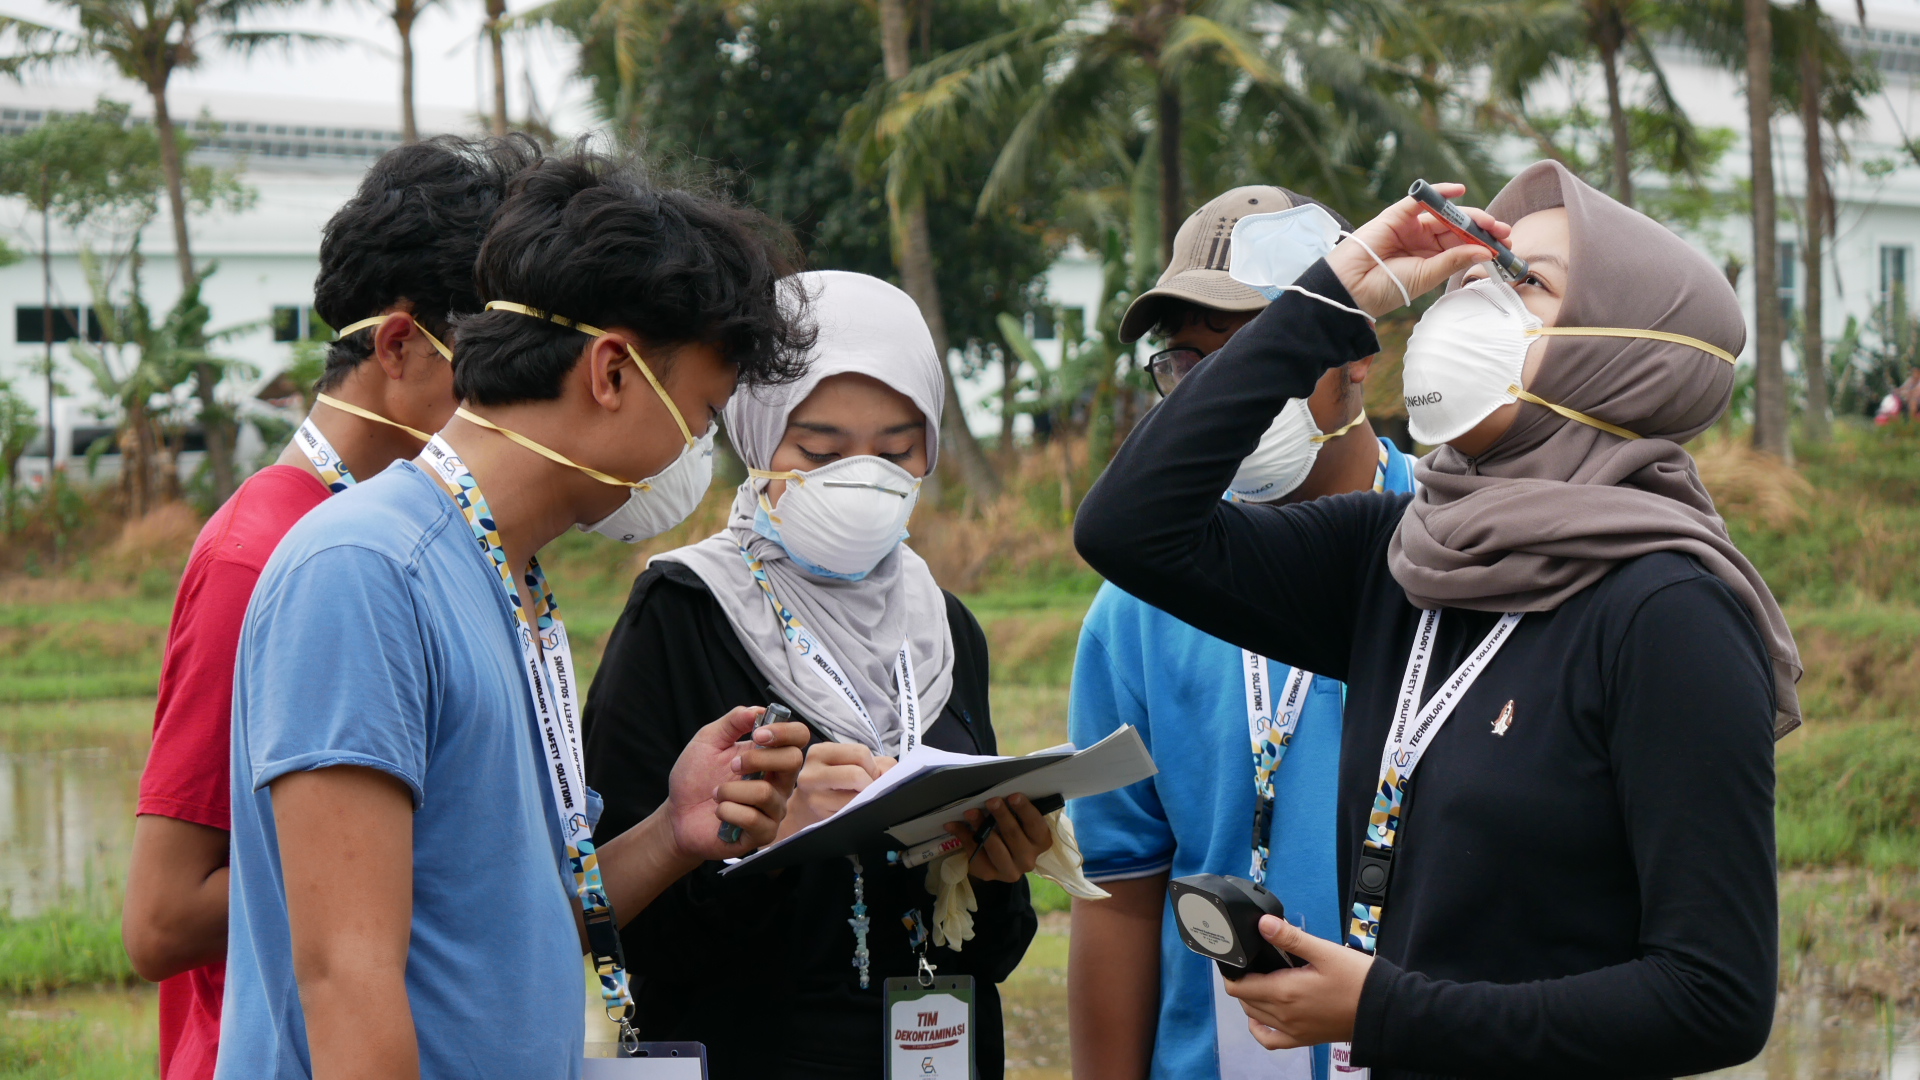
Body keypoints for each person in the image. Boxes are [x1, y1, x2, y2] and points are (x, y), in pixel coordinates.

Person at [1073, 161, 1796, 1078]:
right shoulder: (1402, 556)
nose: (1475, 294)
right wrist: (1336, 292)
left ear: (1622, 353)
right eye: (1476, 270)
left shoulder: (1668, 614)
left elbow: (1716, 998)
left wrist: (1386, 1009)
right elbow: (1131, 530)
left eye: (1524, 280)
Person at [215, 151, 817, 1080]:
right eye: (700, 419)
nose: (696, 456)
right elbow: (347, 978)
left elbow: (498, 924)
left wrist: (674, 828)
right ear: (612, 370)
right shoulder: (366, 574)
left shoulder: (511, 582)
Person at [121, 134, 539, 1080]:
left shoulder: (437, 545)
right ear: (400, 345)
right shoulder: (263, 553)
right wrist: (391, 858)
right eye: (494, 368)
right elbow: (158, 918)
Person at [581, 270, 1045, 1080]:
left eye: (897, 449)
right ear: (758, 441)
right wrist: (776, 842)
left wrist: (995, 876)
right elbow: (621, 924)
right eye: (822, 451)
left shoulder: (942, 625)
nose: (862, 477)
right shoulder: (683, 613)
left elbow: (991, 953)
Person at [1068, 185, 1413, 1080]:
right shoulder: (1135, 610)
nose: (1231, 396)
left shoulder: (1458, 550)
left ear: (1353, 359)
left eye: (1263, 353)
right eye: (1193, 365)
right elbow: (1119, 892)